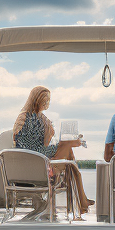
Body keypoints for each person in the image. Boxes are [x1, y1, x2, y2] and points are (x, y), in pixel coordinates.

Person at [13, 86, 92, 214]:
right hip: (32, 167)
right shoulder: (25, 118)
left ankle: (82, 200)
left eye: (48, 100)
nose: (47, 103)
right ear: (36, 99)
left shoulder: (40, 118)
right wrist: (63, 144)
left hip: (37, 164)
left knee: (68, 150)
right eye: (45, 99)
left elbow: (41, 146)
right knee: (67, 147)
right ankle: (82, 200)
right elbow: (32, 151)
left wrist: (51, 137)